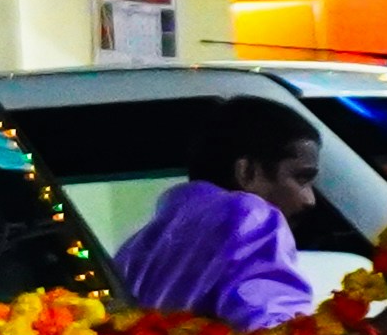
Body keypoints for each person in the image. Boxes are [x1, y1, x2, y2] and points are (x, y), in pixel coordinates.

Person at [115, 104, 325, 323]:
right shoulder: (251, 216)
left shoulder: (136, 247)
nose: (309, 199)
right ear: (247, 172)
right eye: (302, 178)